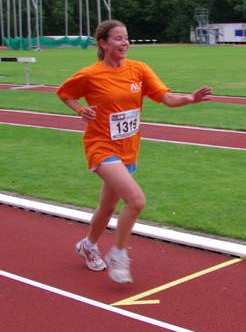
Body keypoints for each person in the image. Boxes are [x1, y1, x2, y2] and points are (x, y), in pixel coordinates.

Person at [57, 19, 212, 283]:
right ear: (103, 43)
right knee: (136, 201)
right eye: (118, 38)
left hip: (128, 150)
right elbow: (64, 93)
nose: (125, 43)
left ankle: (88, 245)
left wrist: (190, 98)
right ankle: (118, 254)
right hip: (101, 146)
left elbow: (166, 98)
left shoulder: (138, 70)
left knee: (107, 208)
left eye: (126, 38)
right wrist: (81, 109)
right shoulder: (91, 74)